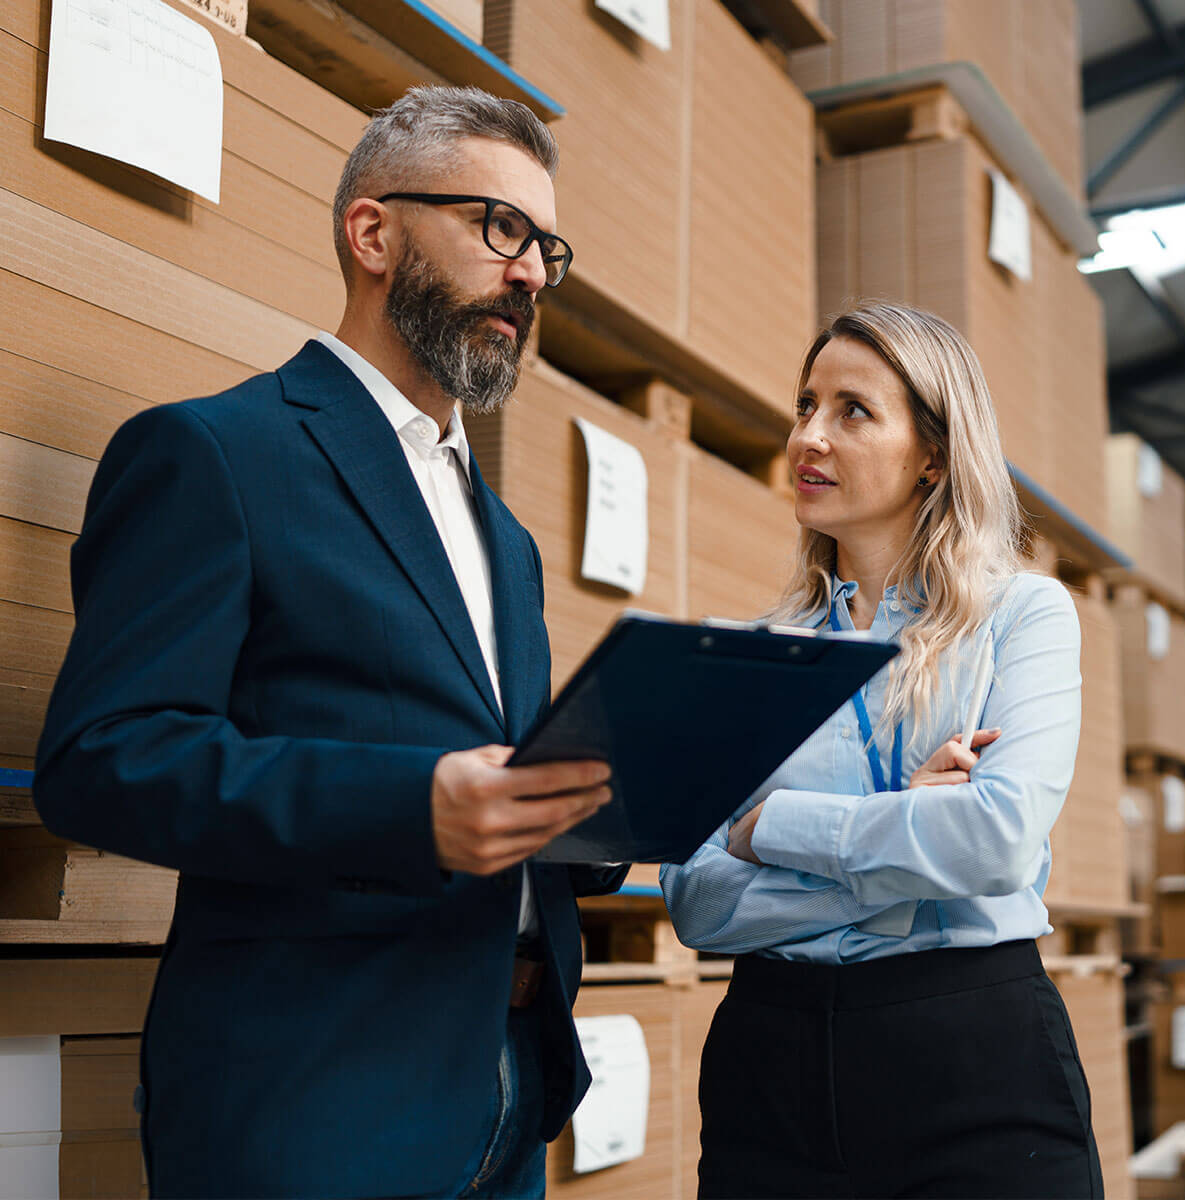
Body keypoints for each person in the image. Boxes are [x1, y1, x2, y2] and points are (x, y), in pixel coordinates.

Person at [34, 86, 627, 1200]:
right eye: (500, 229)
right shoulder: (215, 454)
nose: (532, 273)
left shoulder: (509, 544)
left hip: (506, 1089)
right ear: (373, 232)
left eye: (547, 246)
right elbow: (103, 762)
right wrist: (414, 808)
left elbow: (495, 774)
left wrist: (600, 812)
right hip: (314, 1097)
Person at [661, 300, 1102, 1199]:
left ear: (933, 451)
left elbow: (996, 840)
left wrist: (772, 825)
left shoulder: (1023, 615)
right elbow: (697, 902)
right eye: (804, 406)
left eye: (852, 411)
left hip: (975, 1060)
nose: (809, 437)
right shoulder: (751, 653)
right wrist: (904, 839)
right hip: (769, 1069)